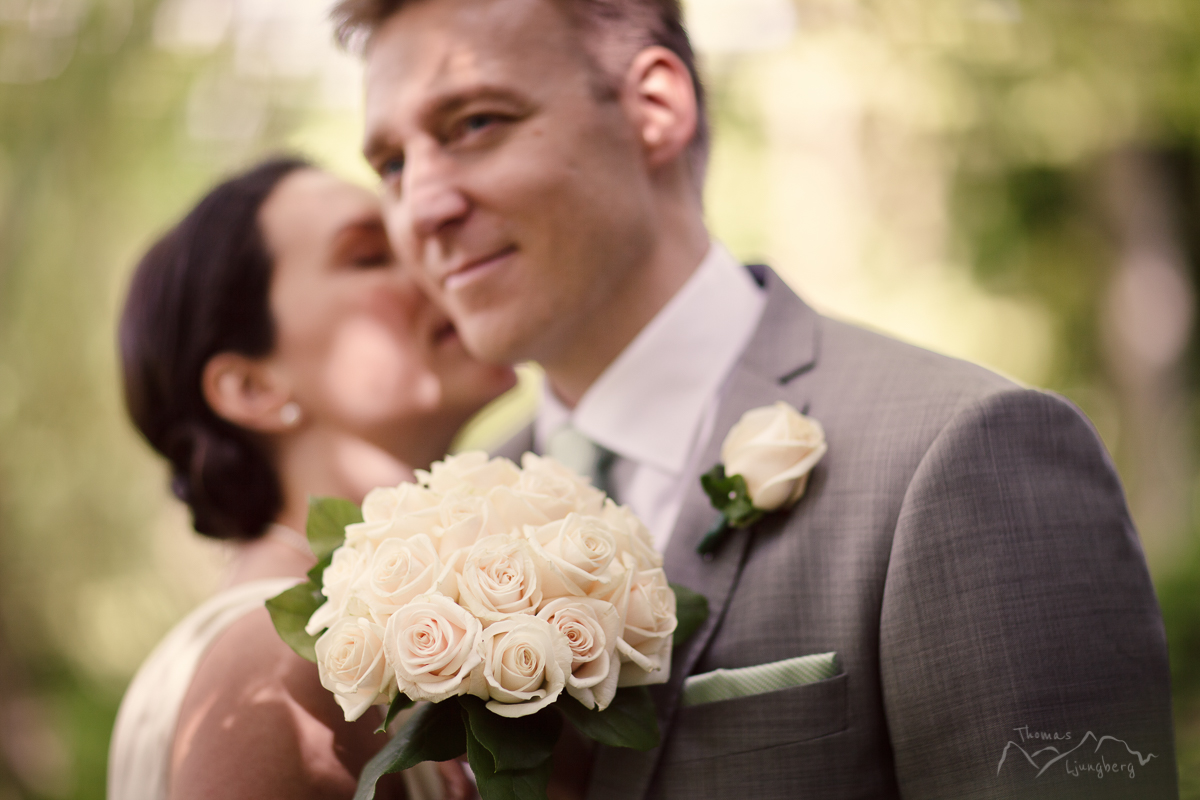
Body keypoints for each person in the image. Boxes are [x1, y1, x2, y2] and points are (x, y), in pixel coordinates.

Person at [332, 0, 1179, 797]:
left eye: (475, 123)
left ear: (655, 108)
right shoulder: (446, 527)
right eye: (393, 165)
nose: (424, 208)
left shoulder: (964, 455)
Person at [109, 156, 513, 799]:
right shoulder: (275, 669)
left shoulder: (340, 643)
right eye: (372, 255)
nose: (436, 260)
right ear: (253, 387)